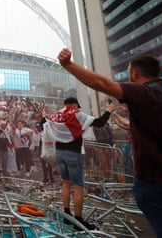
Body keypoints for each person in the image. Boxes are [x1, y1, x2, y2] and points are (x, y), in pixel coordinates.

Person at [57, 48, 162, 237]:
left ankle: (69, 212)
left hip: (158, 183)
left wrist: (68, 65)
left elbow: (101, 83)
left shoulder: (142, 93)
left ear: (135, 74)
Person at [42, 96, 114, 230]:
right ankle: (79, 220)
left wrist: (44, 115)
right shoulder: (76, 114)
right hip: (73, 154)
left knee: (65, 182)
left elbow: (43, 123)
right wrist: (108, 111)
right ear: (75, 105)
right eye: (77, 106)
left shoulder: (57, 115)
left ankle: (67, 214)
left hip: (59, 153)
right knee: (78, 186)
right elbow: (99, 122)